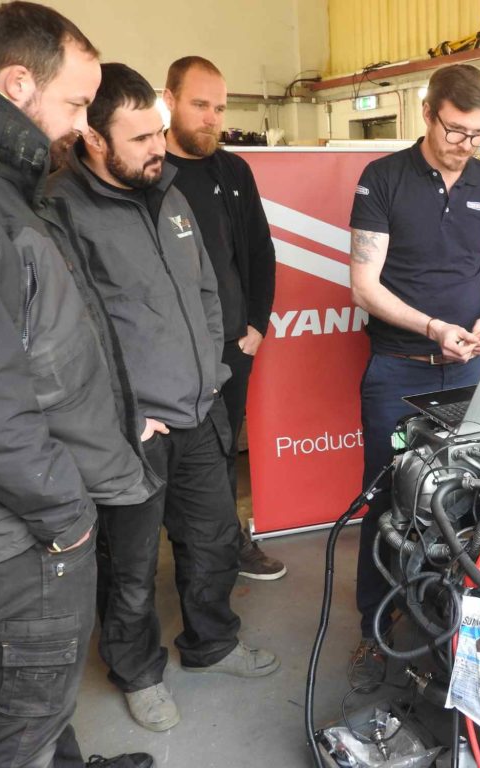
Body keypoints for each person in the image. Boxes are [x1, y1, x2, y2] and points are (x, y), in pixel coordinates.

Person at [0, 3, 156, 767]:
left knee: (47, 690)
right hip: (16, 527)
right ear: (18, 83)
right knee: (25, 712)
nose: (83, 124)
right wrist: (64, 512)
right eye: (75, 103)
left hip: (31, 506)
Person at [48, 62, 280, 734]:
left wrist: (209, 371)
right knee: (130, 563)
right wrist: (125, 411)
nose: (158, 147)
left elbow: (209, 290)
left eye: (158, 132)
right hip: (131, 430)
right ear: (96, 140)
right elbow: (70, 334)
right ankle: (136, 671)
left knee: (210, 539)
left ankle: (212, 642)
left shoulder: (171, 194)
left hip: (198, 408)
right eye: (141, 137)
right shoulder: (63, 211)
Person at [347, 63, 480, 689]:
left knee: (475, 506)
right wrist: (431, 329)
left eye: (479, 134)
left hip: (472, 373)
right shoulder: (383, 179)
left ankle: (456, 633)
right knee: (387, 501)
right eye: (455, 130)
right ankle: (375, 629)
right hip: (399, 369)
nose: (466, 144)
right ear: (428, 112)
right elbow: (363, 285)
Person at [162, 56, 285, 581]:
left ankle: (228, 545)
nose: (212, 118)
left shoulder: (233, 171)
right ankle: (172, 556)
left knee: (220, 456)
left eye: (219, 107)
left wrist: (257, 325)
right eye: (199, 105)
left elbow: (259, 251)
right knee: (165, 462)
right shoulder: (145, 171)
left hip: (231, 348)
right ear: (168, 99)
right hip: (166, 356)